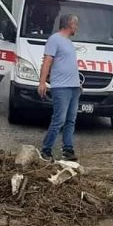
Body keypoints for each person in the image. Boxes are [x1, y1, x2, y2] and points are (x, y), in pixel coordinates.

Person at [38, 14, 81, 162]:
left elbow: (68, 64)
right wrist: (42, 82)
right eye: (76, 24)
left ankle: (68, 149)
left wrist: (78, 84)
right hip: (61, 87)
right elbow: (47, 62)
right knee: (59, 120)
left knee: (71, 120)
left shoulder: (68, 42)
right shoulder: (54, 39)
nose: (77, 27)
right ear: (69, 24)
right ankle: (46, 149)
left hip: (74, 87)